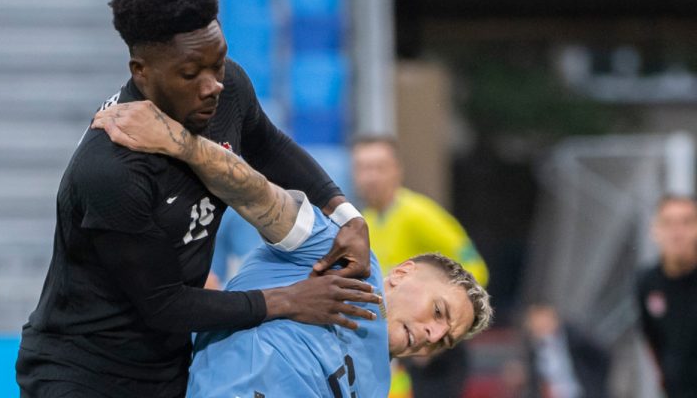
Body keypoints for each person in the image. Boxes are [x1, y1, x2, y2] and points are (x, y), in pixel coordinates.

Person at [15, 0, 377, 397]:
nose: (213, 85)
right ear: (141, 72)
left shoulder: (227, 89)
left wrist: (345, 214)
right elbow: (164, 303)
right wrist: (290, 300)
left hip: (168, 365)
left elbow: (268, 145)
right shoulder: (111, 170)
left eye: (218, 62)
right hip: (83, 372)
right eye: (191, 73)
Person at [91, 103, 493, 397]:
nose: (432, 335)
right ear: (402, 272)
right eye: (438, 311)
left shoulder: (378, 385)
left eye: (445, 340)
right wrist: (178, 143)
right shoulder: (350, 257)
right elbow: (258, 195)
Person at [352, 135, 490, 397]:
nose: (370, 177)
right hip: (398, 345)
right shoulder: (363, 221)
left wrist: (436, 332)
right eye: (363, 168)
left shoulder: (419, 213)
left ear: (397, 170)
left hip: (432, 354)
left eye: (379, 167)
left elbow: (476, 270)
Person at [636, 195, 697, 397]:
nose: (677, 232)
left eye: (686, 222)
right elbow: (651, 338)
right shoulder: (647, 283)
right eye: (668, 223)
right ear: (655, 230)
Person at [523, 303, 609, 398]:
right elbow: (537, 382)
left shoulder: (574, 337)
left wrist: (596, 383)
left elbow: (601, 356)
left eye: (544, 322)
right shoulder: (535, 352)